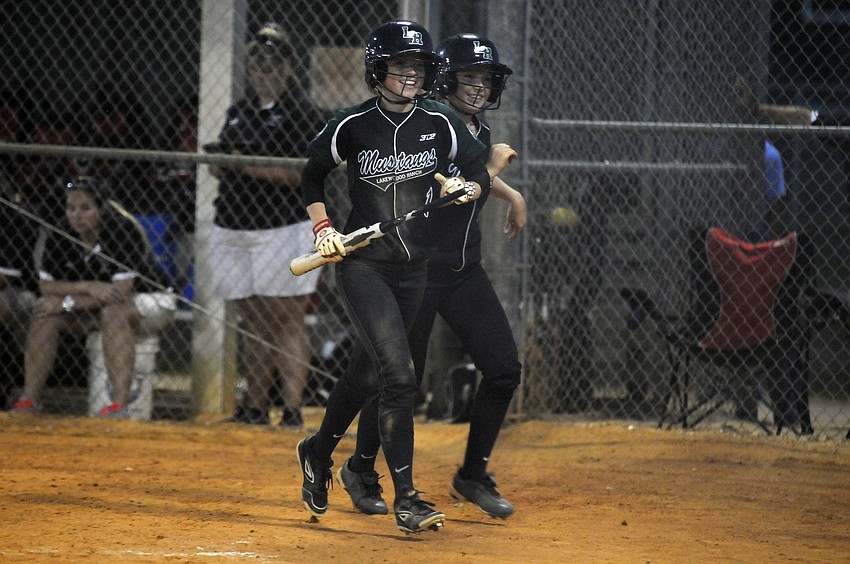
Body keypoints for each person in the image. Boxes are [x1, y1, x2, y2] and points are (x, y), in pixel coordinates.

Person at [295, 20, 491, 534]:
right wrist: (324, 228)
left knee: (366, 374)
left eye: (418, 66)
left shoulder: (440, 121)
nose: (410, 74)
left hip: (415, 268)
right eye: (401, 65)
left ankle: (317, 452)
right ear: (377, 70)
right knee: (400, 377)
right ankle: (408, 497)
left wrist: (463, 186)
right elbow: (312, 173)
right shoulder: (352, 124)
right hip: (364, 264)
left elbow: (476, 170)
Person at [335, 33, 524, 520]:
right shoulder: (428, 124)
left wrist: (512, 195)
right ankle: (359, 468)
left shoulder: (472, 126)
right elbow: (451, 185)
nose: (478, 88)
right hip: (413, 271)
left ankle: (472, 474)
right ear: (445, 79)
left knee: (502, 367)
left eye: (486, 79)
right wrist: (493, 166)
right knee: (397, 380)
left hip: (462, 271)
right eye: (469, 78)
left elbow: (478, 177)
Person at [208, 23, 326, 428]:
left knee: (286, 316)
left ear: (289, 68)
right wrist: (226, 163)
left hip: (282, 227)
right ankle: (254, 408)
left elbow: (302, 174)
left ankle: (292, 411)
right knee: (253, 319)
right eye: (258, 67)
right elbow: (227, 165)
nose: (264, 74)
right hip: (234, 224)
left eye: (273, 67)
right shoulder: (239, 111)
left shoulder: (300, 111)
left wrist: (244, 165)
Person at [9, 176, 172, 417]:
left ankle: (119, 405)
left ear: (102, 208)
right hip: (93, 307)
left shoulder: (122, 229)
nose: (76, 215)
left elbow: (119, 294)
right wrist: (87, 286)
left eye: (85, 208)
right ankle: (29, 400)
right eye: (71, 208)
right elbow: (46, 287)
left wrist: (66, 303)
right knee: (45, 313)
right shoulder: (62, 231)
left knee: (112, 314)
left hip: (148, 302)